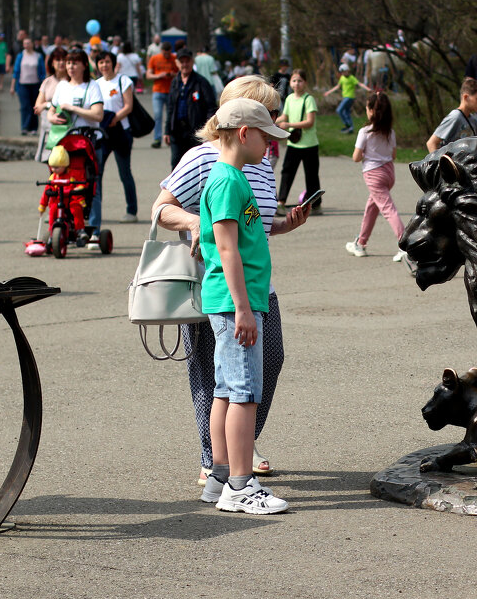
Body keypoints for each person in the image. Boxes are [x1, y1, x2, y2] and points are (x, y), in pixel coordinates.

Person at [153, 76, 307, 489]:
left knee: (264, 363)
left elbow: (252, 226)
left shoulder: (258, 164)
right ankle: (218, 463)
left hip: (256, 287)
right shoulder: (206, 161)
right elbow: (162, 209)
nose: (275, 126)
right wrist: (201, 226)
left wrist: (285, 222)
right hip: (216, 286)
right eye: (269, 116)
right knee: (217, 376)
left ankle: (236, 447)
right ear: (244, 123)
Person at [194, 98, 291, 513]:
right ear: (244, 134)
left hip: (230, 300)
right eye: (267, 137)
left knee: (226, 389)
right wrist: (244, 309)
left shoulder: (230, 178)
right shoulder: (229, 181)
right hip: (238, 301)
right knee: (245, 392)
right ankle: (240, 483)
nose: (271, 145)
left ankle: (219, 477)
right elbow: (228, 249)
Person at [47, 48, 104, 245]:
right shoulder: (62, 86)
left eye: (75, 63)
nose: (70, 66)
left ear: (83, 65)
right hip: (65, 143)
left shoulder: (92, 86)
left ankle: (94, 229)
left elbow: (98, 115)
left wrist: (74, 109)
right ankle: (68, 227)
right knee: (63, 185)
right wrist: (52, 117)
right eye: (68, 63)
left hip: (87, 141)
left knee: (91, 184)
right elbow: (51, 111)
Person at [346, 91, 408, 261]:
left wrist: (367, 155)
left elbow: (356, 157)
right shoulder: (390, 132)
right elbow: (394, 155)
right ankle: (361, 242)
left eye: (367, 107)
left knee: (388, 210)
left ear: (372, 111)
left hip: (374, 175)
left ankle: (404, 245)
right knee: (371, 208)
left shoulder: (365, 132)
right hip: (389, 173)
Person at [94, 51, 139, 223]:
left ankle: (131, 210)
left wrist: (114, 118)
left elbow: (128, 106)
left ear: (113, 63)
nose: (104, 65)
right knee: (97, 173)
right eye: (100, 63)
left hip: (121, 132)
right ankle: (94, 210)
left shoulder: (123, 81)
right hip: (101, 134)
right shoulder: (95, 84)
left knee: (124, 173)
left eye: (106, 62)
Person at [275, 69, 322, 214]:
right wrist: (272, 121)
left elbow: (310, 121)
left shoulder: (309, 99)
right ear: (290, 82)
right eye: (294, 80)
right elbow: (285, 116)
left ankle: (316, 205)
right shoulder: (289, 98)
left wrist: (289, 125)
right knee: (287, 172)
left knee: (311, 175)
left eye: (300, 81)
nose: (297, 84)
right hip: (293, 143)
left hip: (309, 144)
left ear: (305, 83)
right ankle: (281, 202)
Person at [164, 48, 218, 168]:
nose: (184, 64)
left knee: (194, 164)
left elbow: (211, 107)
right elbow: (171, 107)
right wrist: (167, 130)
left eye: (187, 61)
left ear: (192, 62)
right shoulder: (175, 82)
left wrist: (208, 129)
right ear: (177, 63)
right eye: (181, 62)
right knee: (176, 163)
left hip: (195, 130)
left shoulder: (201, 82)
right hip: (177, 131)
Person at [427, 78, 477, 152]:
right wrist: (439, 162)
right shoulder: (455, 117)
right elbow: (431, 143)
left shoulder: (474, 120)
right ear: (466, 97)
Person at [34, 46, 67, 160]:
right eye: (58, 60)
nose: (61, 63)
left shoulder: (71, 82)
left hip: (66, 129)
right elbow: (38, 107)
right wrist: (47, 105)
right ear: (52, 63)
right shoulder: (47, 82)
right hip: (49, 130)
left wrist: (46, 105)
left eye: (64, 60)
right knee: (51, 163)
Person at [10, 36, 46, 135]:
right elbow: (16, 72)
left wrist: (44, 86)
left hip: (35, 85)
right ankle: (25, 127)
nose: (26, 45)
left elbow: (42, 72)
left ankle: (33, 128)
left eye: (28, 43)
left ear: (32, 44)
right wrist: (12, 87)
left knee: (34, 107)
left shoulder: (38, 56)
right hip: (23, 85)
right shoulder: (20, 56)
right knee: (25, 106)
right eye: (25, 43)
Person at [324, 63, 370, 134]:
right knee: (346, 112)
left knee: (339, 110)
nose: (343, 73)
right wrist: (328, 92)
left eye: (344, 71)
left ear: (348, 70)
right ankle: (351, 128)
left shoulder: (351, 78)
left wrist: (367, 89)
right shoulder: (342, 78)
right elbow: (337, 86)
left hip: (350, 97)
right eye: (342, 72)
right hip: (345, 97)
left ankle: (347, 125)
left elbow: (359, 84)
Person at [147, 41, 177, 148]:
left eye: (168, 54)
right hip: (158, 91)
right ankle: (157, 138)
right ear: (161, 51)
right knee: (157, 115)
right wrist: (159, 75)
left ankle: (171, 137)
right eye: (164, 53)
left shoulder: (175, 58)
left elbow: (181, 73)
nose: (166, 56)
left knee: (171, 116)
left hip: (171, 91)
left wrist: (173, 74)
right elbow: (148, 75)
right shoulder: (154, 59)